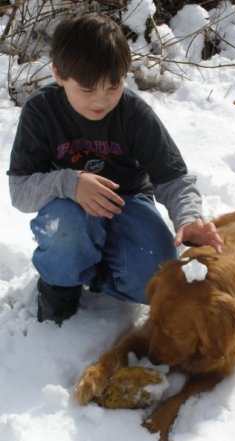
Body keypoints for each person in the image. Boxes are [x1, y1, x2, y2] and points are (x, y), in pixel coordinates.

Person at [7, 14, 222, 325]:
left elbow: (173, 178)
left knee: (156, 282)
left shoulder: (134, 114)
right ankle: (59, 286)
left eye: (114, 85)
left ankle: (101, 273)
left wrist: (189, 218)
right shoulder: (41, 113)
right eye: (87, 88)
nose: (101, 99)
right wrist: (71, 183)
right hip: (69, 208)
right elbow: (20, 191)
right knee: (66, 227)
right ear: (58, 74)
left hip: (128, 201)